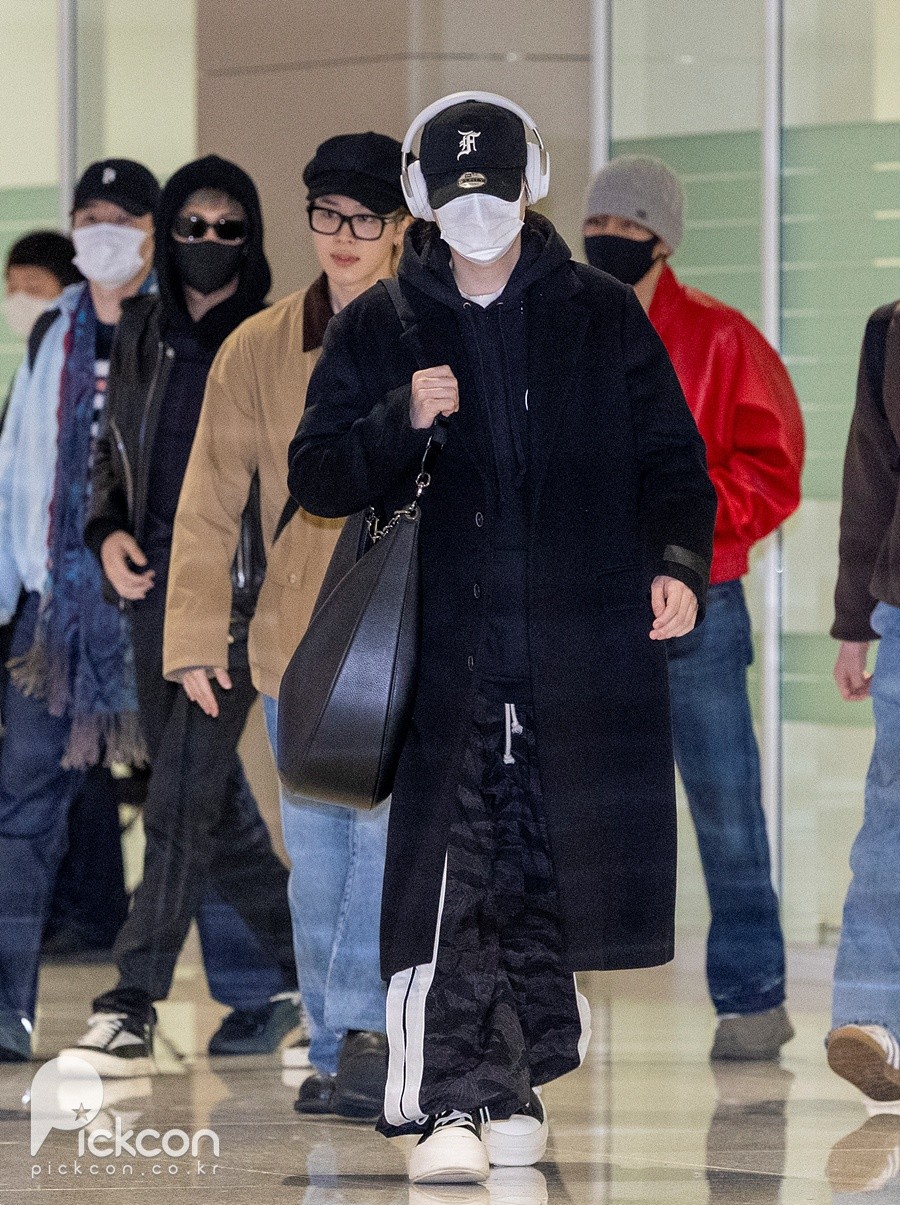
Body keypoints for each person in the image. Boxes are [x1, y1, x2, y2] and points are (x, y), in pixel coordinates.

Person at [289, 92, 718, 1185]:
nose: (478, 213)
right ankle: (444, 1101)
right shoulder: (380, 324)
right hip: (446, 659)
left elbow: (673, 459)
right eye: (457, 194)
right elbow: (317, 472)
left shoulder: (599, 312)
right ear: (425, 198)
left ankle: (511, 1083)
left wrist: (676, 563)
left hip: (577, 656)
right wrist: (401, 416)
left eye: (495, 191)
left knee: (544, 873)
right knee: (447, 877)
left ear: (529, 186)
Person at [164, 132, 411, 1118]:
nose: (343, 236)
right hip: (296, 639)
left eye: (365, 218)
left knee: (384, 850)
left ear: (402, 227)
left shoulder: (433, 331)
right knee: (316, 863)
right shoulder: (258, 347)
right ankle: (337, 1037)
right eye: (325, 215)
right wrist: (193, 636)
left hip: (407, 631)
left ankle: (364, 1035)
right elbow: (208, 501)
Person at [61, 156, 303, 1077]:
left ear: (253, 236)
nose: (209, 241)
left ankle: (129, 1001)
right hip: (152, 593)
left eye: (227, 226)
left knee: (177, 802)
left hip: (235, 599)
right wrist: (106, 529)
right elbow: (109, 448)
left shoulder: (274, 337)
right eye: (192, 225)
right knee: (209, 803)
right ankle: (311, 969)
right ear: (169, 233)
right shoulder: (143, 331)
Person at [584, 155, 805, 1061]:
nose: (611, 239)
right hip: (591, 603)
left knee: (724, 803)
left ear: (663, 240)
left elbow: (774, 467)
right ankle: (558, 991)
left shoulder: (721, 336)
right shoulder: (568, 329)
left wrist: (687, 532)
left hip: (702, 602)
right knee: (575, 799)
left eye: (631, 228)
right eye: (601, 224)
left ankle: (754, 997)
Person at [0, 159, 158, 1062]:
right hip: (51, 614)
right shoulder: (53, 333)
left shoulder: (172, 330)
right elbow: (15, 467)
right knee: (23, 810)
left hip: (149, 603)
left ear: (150, 232)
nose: (103, 232)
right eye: (89, 216)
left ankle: (267, 985)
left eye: (121, 218)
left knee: (196, 805)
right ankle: (5, 1011)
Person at [826, 299, 900, 1102]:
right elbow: (872, 475)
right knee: (892, 814)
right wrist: (855, 623)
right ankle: (874, 1019)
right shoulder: (891, 330)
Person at [3, 231, 83, 345]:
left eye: (33, 288)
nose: (19, 299)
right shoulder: (37, 349)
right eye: (12, 288)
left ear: (69, 288)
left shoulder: (86, 346)